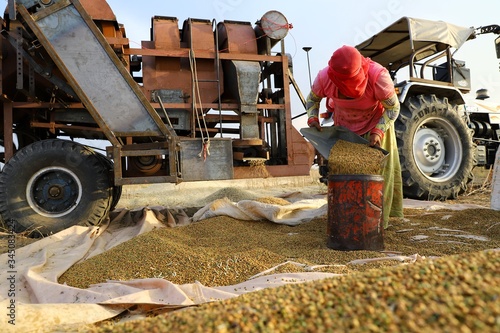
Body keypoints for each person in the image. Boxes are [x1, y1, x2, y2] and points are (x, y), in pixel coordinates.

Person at [306, 45, 403, 228]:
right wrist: (312, 117)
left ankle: (378, 222)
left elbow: (393, 108)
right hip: (345, 130)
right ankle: (348, 218)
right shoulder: (324, 77)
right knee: (344, 173)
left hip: (376, 125)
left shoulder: (377, 76)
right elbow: (312, 99)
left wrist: (378, 131)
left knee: (381, 173)